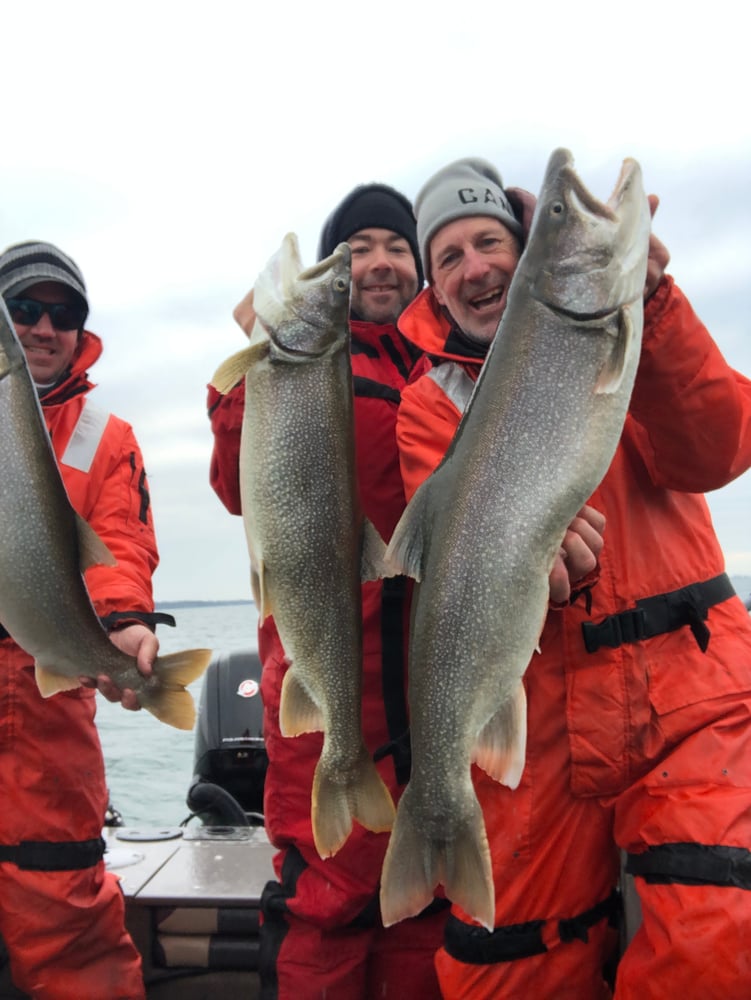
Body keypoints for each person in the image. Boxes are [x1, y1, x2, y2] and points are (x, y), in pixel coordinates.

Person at [395, 158, 751, 998]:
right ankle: (433, 819)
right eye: (448, 257)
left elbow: (717, 447)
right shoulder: (426, 404)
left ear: (524, 262)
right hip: (539, 710)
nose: (475, 265)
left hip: (686, 689)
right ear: (435, 293)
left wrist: (651, 299)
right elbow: (446, 552)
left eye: (491, 241)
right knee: (505, 967)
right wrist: (526, 563)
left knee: (713, 942)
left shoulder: (627, 325)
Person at [208, 185, 448, 999]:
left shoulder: (454, 365)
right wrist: (249, 371)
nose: (377, 264)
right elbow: (237, 488)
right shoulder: (291, 366)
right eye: (354, 252)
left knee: (424, 908)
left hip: (434, 687)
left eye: (395, 246)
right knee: (323, 912)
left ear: (419, 266)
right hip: (318, 675)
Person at [0, 241, 169, 1000]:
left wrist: (124, 622)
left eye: (62, 314)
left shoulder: (108, 435)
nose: (42, 327)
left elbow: (120, 545)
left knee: (68, 924)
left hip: (48, 705)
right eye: (23, 310)